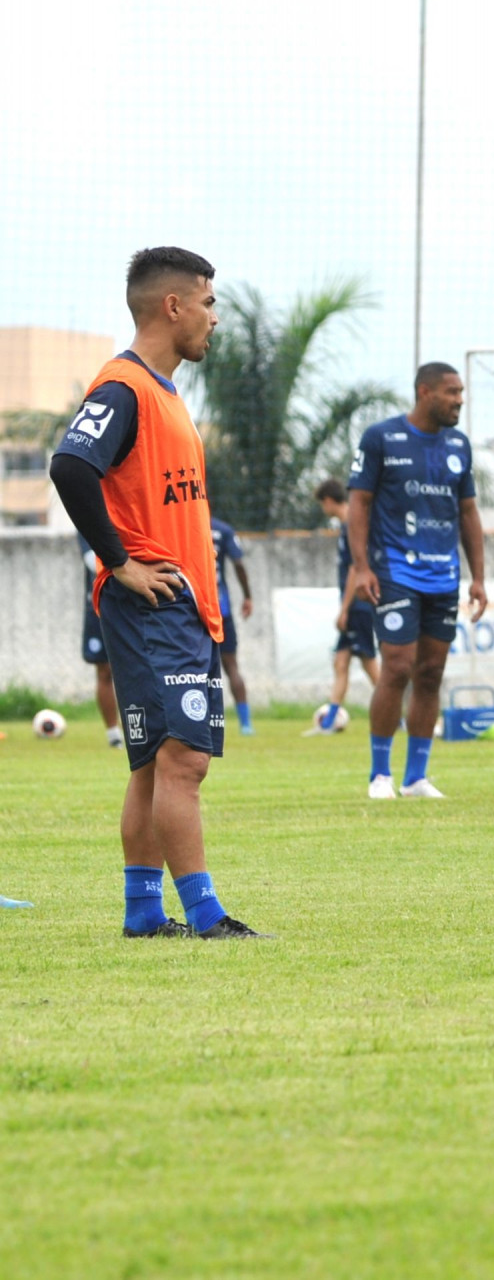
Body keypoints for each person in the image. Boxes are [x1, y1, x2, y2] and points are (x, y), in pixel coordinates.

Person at [46, 246, 268, 939]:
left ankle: (144, 913)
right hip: (152, 603)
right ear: (172, 306)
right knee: (183, 758)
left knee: (151, 762)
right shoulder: (125, 387)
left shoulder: (165, 396)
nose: (215, 318)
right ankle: (205, 915)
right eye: (207, 302)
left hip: (182, 605)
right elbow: (69, 466)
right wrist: (122, 563)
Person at [347, 362, 487, 799]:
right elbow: (359, 504)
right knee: (399, 668)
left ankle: (416, 778)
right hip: (395, 570)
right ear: (425, 392)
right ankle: (380, 775)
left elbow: (468, 513)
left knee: (431, 673)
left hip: (443, 576)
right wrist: (362, 567)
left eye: (461, 392)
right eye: (452, 392)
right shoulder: (381, 438)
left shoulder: (459, 446)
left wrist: (478, 577)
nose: (459, 400)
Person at [310, 478, 379, 733]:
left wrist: (345, 609)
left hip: (358, 606)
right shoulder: (346, 525)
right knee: (341, 663)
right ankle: (329, 721)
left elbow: (355, 569)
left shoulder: (353, 525)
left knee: (370, 665)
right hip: (353, 606)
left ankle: (398, 716)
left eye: (322, 504)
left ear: (328, 501)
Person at [209, 515, 254, 735]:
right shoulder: (222, 529)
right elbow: (238, 563)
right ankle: (246, 724)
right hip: (220, 608)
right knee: (231, 666)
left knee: (194, 670)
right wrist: (247, 596)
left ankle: (200, 721)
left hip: (192, 607)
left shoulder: (182, 524)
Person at [79, 537, 125, 747]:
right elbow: (91, 560)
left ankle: (142, 729)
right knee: (104, 670)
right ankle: (113, 734)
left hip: (133, 603)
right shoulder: (89, 510)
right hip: (100, 604)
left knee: (138, 668)